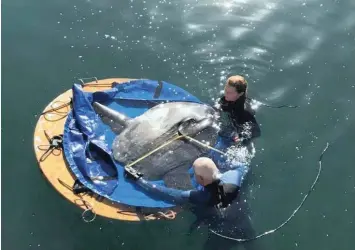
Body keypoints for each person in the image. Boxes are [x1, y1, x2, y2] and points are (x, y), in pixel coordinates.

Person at [126, 157, 246, 208]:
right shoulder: (233, 175)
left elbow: (167, 193)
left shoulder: (201, 196)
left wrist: (138, 179)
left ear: (201, 179)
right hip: (238, 207)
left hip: (214, 211)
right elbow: (243, 166)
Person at [216, 75, 261, 146]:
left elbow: (256, 132)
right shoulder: (227, 98)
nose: (225, 94)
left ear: (240, 94)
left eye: (229, 92)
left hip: (240, 126)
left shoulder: (246, 111)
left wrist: (242, 138)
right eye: (225, 90)